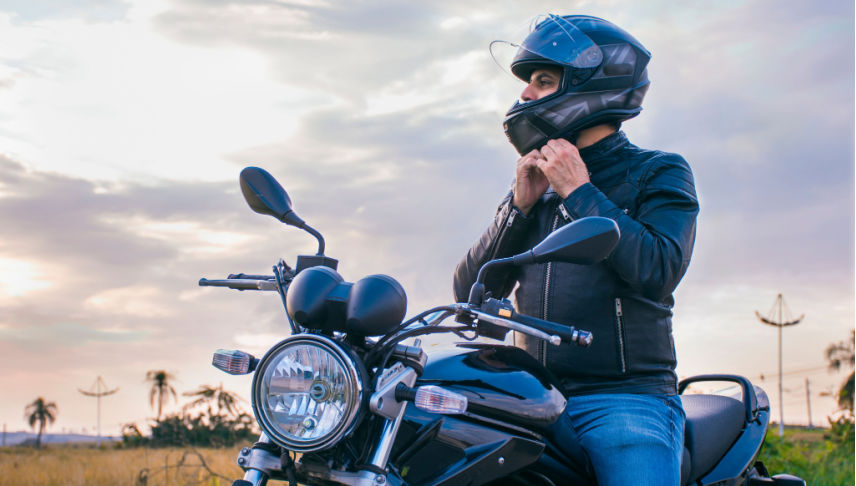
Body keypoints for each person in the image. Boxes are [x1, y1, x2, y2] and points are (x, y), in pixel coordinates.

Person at [453, 14, 699, 486]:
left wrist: (580, 192)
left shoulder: (658, 171)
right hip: (531, 395)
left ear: (594, 87)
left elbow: (658, 268)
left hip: (626, 400)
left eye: (543, 81)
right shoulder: (538, 185)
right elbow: (471, 294)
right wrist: (518, 209)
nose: (525, 95)